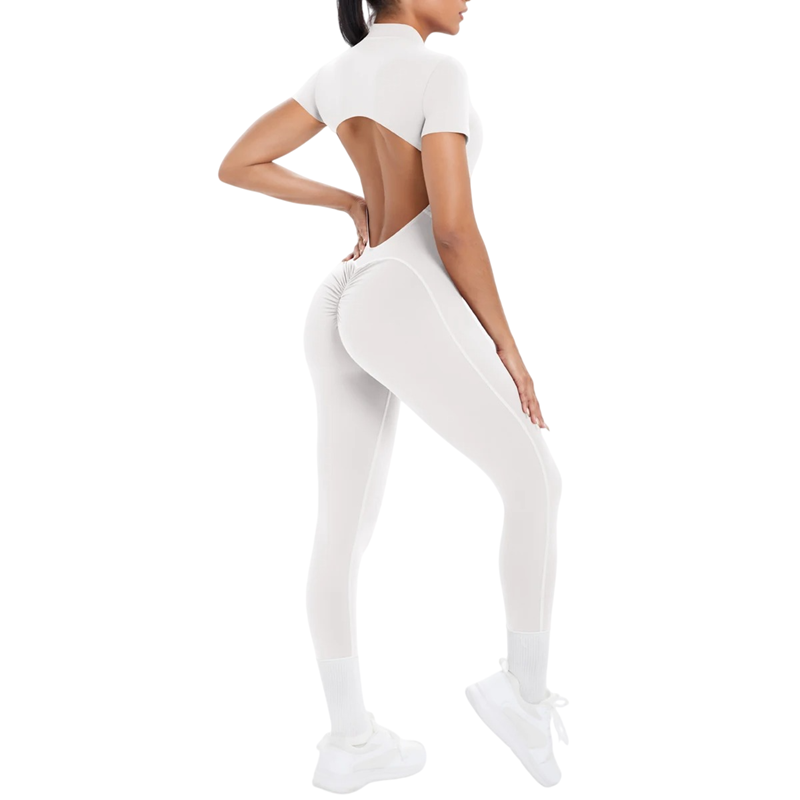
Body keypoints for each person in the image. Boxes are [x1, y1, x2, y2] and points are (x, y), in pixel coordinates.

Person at [218, 0, 569, 791]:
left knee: (341, 529)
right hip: (404, 289)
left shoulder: (334, 75)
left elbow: (238, 163)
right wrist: (509, 349)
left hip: (340, 293)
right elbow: (453, 230)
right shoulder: (439, 73)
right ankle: (522, 694)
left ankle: (350, 742)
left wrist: (349, 203)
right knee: (537, 482)